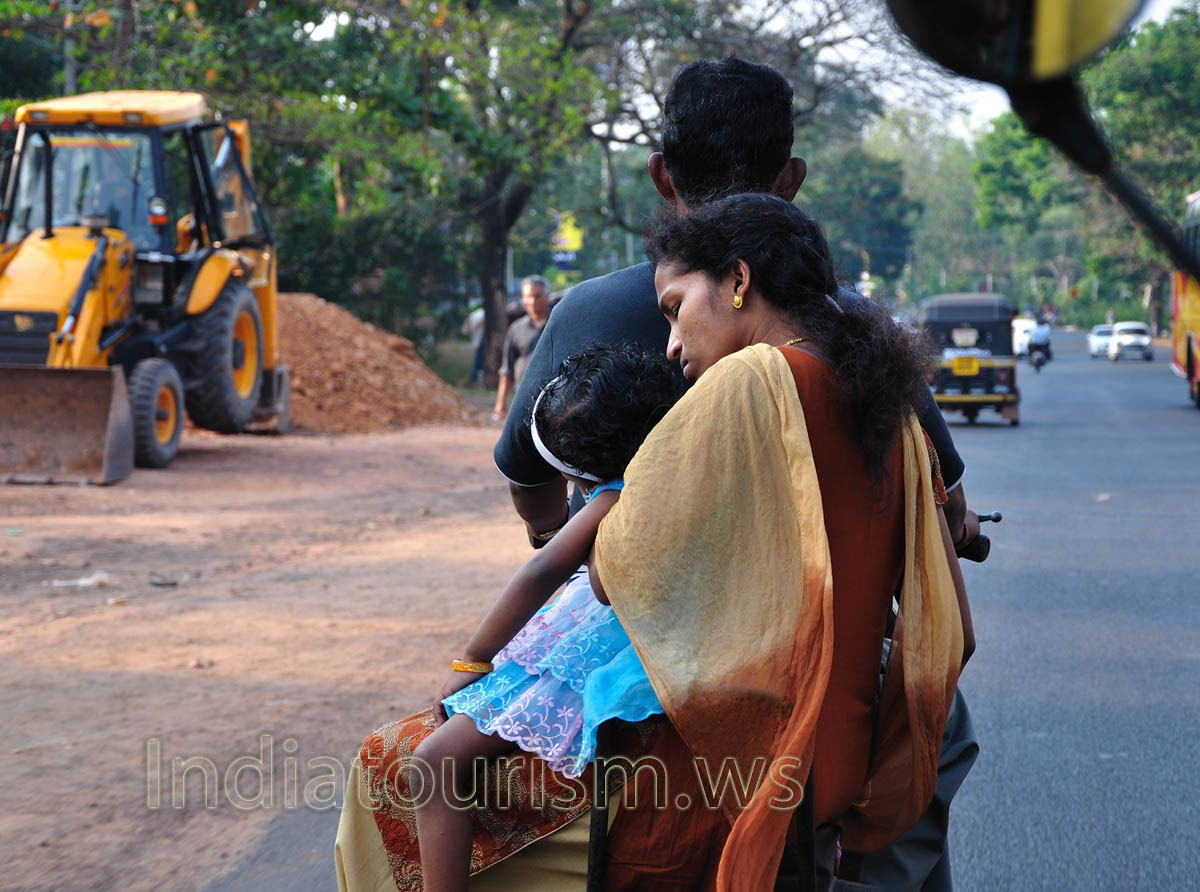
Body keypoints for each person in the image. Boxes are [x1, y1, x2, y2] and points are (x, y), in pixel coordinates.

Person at [582, 193, 970, 888]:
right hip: (840, 773)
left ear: (737, 281)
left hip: (754, 774)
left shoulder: (751, 379)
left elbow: (615, 573)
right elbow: (956, 631)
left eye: (674, 307)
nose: (670, 343)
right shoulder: (892, 415)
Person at [409, 344, 680, 891]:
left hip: (609, 646)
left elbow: (541, 572)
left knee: (434, 761)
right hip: (628, 631)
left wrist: (472, 660)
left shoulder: (613, 498)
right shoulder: (672, 471)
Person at [492, 275, 551, 420]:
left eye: (537, 296)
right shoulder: (516, 329)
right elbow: (507, 369)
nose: (532, 301)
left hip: (553, 398)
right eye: (528, 297)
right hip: (523, 399)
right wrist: (500, 402)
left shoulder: (557, 326)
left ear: (547, 296)